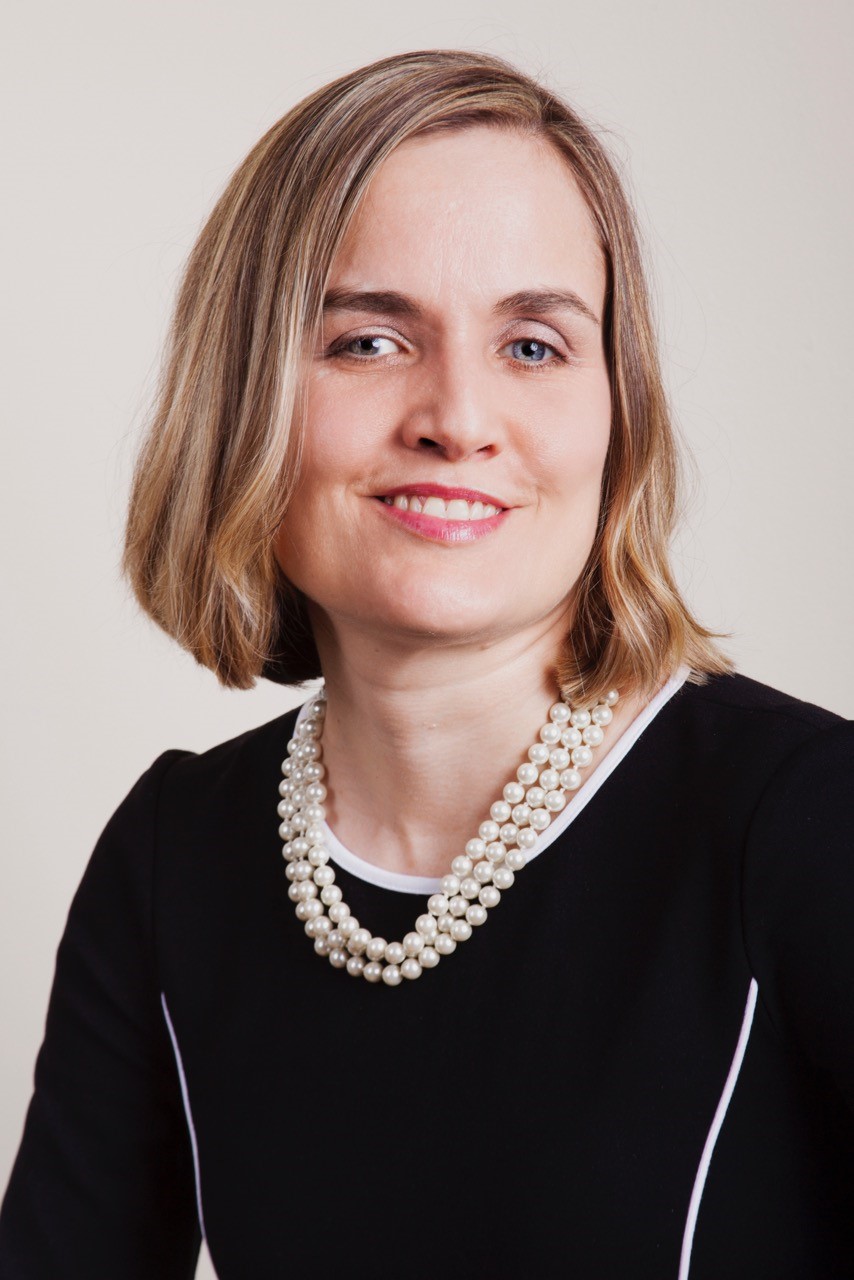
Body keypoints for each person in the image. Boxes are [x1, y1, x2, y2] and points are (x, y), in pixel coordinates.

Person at [1, 48, 851, 1280]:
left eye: (532, 346)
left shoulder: (802, 819)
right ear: (243, 398)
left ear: (618, 409)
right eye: (366, 340)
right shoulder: (172, 857)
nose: (456, 415)